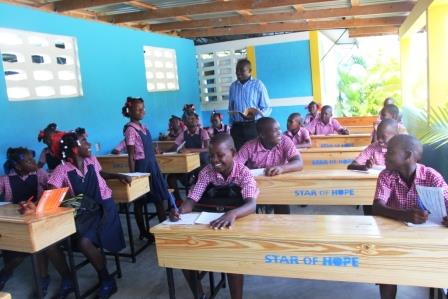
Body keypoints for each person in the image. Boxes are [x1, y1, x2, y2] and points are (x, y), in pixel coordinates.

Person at [169, 133, 258, 299]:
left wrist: (232, 213)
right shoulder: (206, 172)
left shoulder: (244, 173)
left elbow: (251, 205)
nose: (214, 160)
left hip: (235, 224)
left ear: (234, 153)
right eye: (211, 156)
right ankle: (200, 294)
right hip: (210, 223)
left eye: (220, 155)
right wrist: (180, 212)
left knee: (232, 260)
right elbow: (192, 198)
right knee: (182, 255)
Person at [48, 131, 129, 298]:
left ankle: (106, 280)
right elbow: (51, 193)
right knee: (50, 243)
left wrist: (116, 175)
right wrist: (71, 201)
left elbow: (100, 174)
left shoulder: (91, 160)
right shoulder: (62, 169)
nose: (89, 144)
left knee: (85, 242)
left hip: (105, 211)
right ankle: (67, 279)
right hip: (83, 214)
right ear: (75, 150)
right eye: (84, 141)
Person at [372, 134, 448, 299]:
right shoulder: (386, 176)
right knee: (386, 267)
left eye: (390, 152)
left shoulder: (431, 177)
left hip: (428, 241)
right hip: (394, 240)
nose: (384, 155)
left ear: (407, 155)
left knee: (441, 267)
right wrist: (403, 215)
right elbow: (377, 206)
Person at [0, 148, 51, 295]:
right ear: (17, 166)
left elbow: (51, 190)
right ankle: (6, 271)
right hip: (16, 221)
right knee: (15, 253)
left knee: (39, 245)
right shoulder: (5, 179)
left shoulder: (40, 174)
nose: (33, 163)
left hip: (37, 218)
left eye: (32, 159)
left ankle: (43, 278)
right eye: (28, 161)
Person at [122, 96, 170, 240]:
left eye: (143, 108)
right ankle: (143, 231)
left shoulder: (144, 127)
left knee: (159, 199)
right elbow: (131, 155)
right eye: (139, 109)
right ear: (130, 111)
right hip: (141, 167)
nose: (142, 111)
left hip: (152, 166)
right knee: (140, 202)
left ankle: (163, 231)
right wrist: (134, 176)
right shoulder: (130, 130)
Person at [236, 117, 303, 214]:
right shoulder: (249, 146)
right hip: (256, 184)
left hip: (278, 184)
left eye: (279, 129)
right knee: (252, 209)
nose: (280, 132)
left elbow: (299, 163)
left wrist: (281, 168)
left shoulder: (285, 140)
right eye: (275, 130)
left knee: (282, 210)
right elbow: (235, 166)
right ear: (262, 135)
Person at [228, 59, 271, 150]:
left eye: (242, 71)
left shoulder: (258, 85)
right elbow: (231, 108)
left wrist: (254, 117)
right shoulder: (233, 86)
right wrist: (230, 126)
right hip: (237, 128)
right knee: (238, 156)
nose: (238, 73)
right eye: (237, 71)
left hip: (253, 126)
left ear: (250, 71)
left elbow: (267, 108)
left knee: (254, 155)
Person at [167, 113, 210, 203]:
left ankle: (201, 200)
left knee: (201, 175)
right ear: (185, 122)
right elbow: (175, 146)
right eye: (189, 119)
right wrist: (163, 152)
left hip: (200, 163)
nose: (191, 120)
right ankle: (178, 200)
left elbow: (207, 148)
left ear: (197, 121)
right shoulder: (184, 134)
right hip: (187, 164)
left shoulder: (203, 132)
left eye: (193, 118)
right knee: (171, 178)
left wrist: (189, 150)